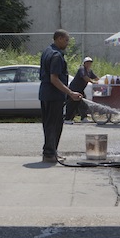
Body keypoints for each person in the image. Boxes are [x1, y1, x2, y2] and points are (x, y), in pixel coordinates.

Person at [38, 29, 82, 163]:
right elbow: (54, 79)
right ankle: (50, 154)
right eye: (67, 40)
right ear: (59, 39)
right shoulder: (56, 55)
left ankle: (50, 153)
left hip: (45, 94)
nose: (68, 43)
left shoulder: (47, 51)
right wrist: (70, 93)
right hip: (54, 95)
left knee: (48, 124)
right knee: (55, 125)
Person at [64, 57, 99, 124]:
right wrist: (93, 82)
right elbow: (85, 78)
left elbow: (96, 78)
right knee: (72, 105)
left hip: (80, 90)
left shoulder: (89, 71)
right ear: (84, 63)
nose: (89, 64)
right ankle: (67, 119)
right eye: (87, 63)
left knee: (83, 104)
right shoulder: (82, 69)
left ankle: (84, 118)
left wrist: (101, 81)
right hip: (74, 89)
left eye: (90, 63)